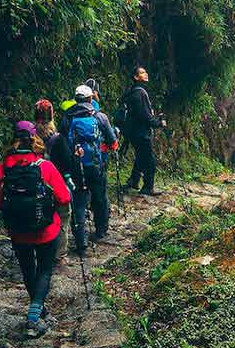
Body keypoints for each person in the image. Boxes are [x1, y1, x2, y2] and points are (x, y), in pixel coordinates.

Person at [0, 121, 71, 337]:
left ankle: (38, 308)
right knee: (44, 269)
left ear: (13, 139)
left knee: (28, 270)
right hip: (45, 229)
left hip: (18, 231)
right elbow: (64, 197)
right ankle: (34, 315)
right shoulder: (45, 166)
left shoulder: (5, 167)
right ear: (35, 138)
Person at [66, 85, 115, 241]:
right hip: (96, 165)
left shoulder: (67, 117)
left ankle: (81, 240)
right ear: (90, 99)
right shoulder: (100, 117)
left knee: (79, 201)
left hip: (76, 166)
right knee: (100, 197)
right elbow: (112, 140)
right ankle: (101, 230)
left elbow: (64, 142)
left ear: (75, 99)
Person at [34, 99, 77, 264]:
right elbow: (67, 162)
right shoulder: (58, 138)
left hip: (35, 186)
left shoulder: (29, 137)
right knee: (62, 217)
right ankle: (59, 255)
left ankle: (39, 251)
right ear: (52, 117)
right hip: (56, 185)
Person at [120, 66, 164, 196]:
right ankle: (148, 187)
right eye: (142, 73)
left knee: (140, 156)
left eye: (145, 71)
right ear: (135, 77)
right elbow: (144, 115)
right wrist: (158, 123)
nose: (146, 74)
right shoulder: (140, 93)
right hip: (141, 133)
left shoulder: (131, 91)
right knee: (149, 160)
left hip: (132, 132)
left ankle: (133, 181)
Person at [58, 99, 92, 256]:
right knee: (79, 205)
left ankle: (57, 247)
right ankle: (81, 242)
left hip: (61, 173)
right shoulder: (80, 123)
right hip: (78, 168)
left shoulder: (59, 130)